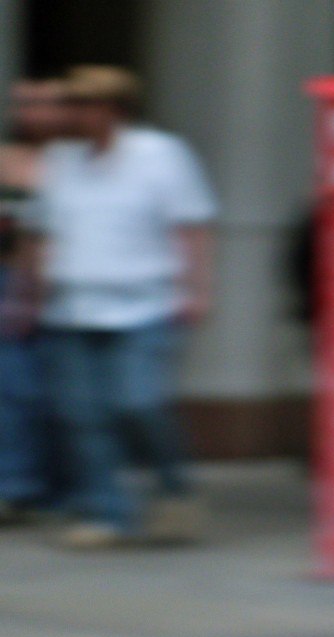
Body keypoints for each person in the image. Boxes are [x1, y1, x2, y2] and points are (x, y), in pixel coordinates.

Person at [16, 66, 216, 548]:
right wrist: (30, 296)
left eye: (83, 106)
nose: (73, 116)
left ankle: (175, 490)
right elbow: (40, 234)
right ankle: (109, 514)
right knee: (82, 415)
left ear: (114, 110)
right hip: (73, 307)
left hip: (144, 303)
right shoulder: (61, 160)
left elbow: (190, 226)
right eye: (71, 106)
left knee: (138, 402)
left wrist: (199, 289)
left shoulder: (161, 155)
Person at [0, 78, 70, 518]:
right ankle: (15, 484)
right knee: (14, 388)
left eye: (46, 104)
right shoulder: (7, 159)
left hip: (69, 281)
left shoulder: (84, 161)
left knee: (65, 393)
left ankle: (66, 488)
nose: (34, 114)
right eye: (26, 104)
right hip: (9, 278)